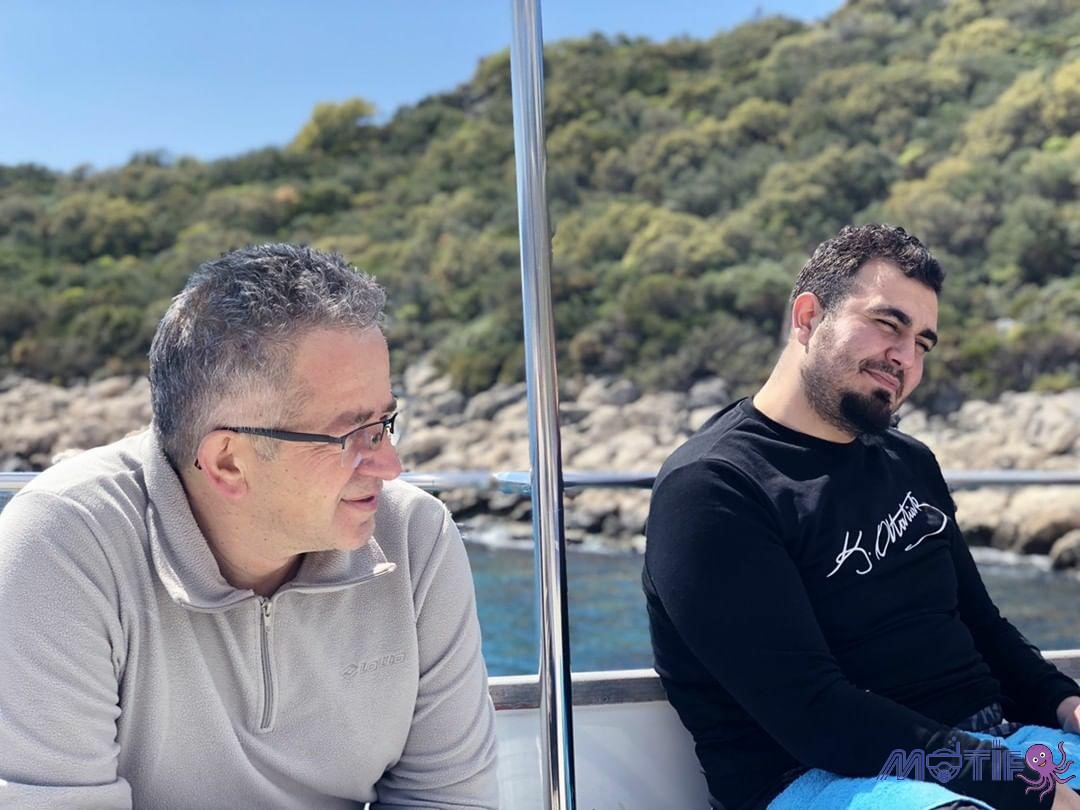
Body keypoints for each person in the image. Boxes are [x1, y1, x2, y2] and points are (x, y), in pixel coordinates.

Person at [0, 244, 498, 808]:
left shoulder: (414, 538)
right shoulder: (64, 542)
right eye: (351, 435)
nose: (391, 466)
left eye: (385, 423)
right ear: (228, 463)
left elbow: (448, 800)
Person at [644, 224, 1080, 810]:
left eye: (922, 343)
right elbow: (814, 715)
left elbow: (983, 626)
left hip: (989, 744)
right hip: (819, 777)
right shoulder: (713, 489)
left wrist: (1064, 703)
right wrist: (1022, 787)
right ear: (808, 317)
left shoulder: (908, 460)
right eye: (887, 324)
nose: (905, 358)